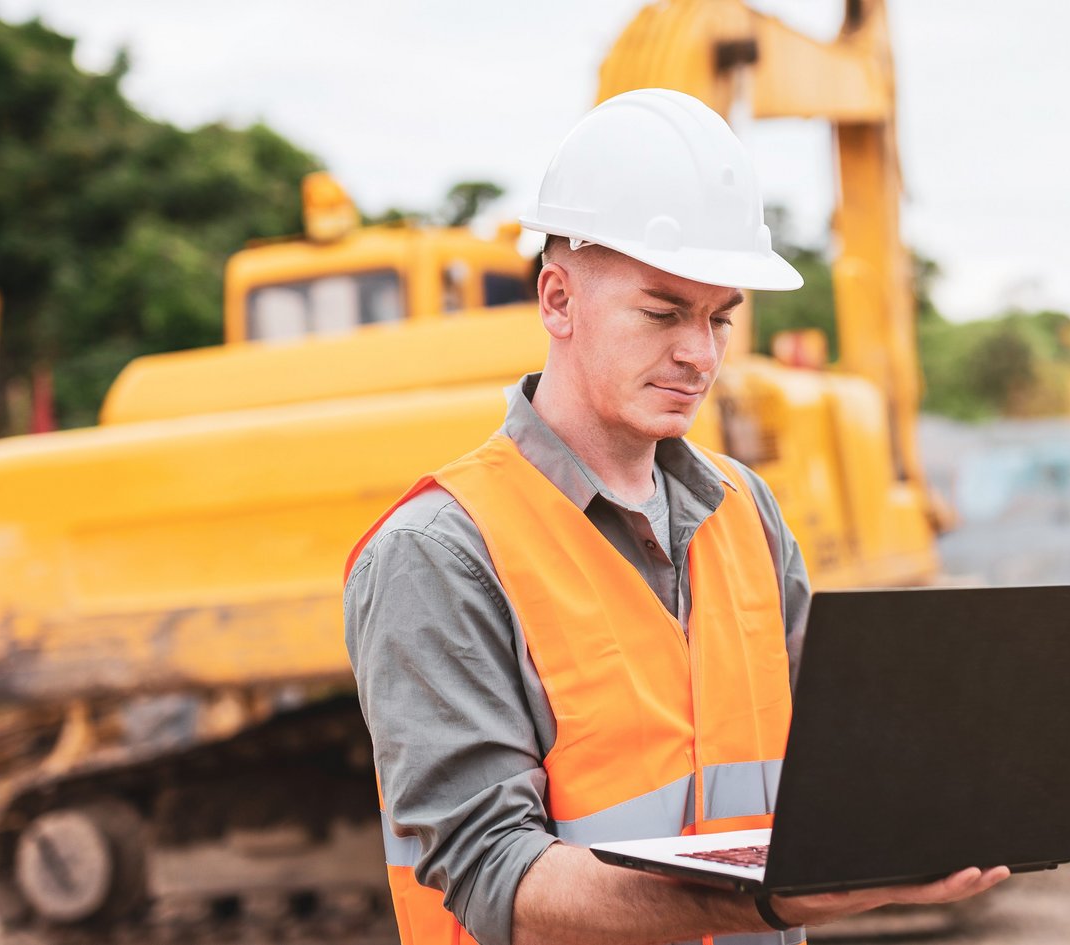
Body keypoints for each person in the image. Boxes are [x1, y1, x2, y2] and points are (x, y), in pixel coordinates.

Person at [343, 88, 1009, 945]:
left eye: (719, 318)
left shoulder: (746, 512)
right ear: (557, 300)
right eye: (662, 312)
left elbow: (827, 760)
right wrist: (781, 896)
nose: (699, 353)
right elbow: (496, 875)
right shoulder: (441, 553)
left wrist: (939, 800)